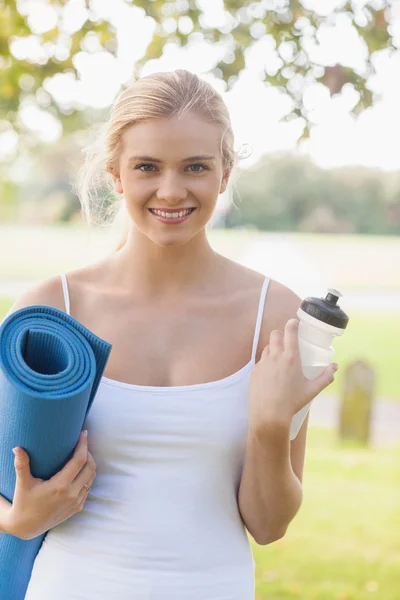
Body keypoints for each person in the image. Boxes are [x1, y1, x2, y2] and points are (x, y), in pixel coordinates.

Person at [2, 69, 338, 599]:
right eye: (147, 167)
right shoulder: (52, 310)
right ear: (116, 174)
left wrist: (271, 427)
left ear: (225, 174)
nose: (171, 190)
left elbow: (269, 526)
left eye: (196, 167)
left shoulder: (273, 317)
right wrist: (17, 519)